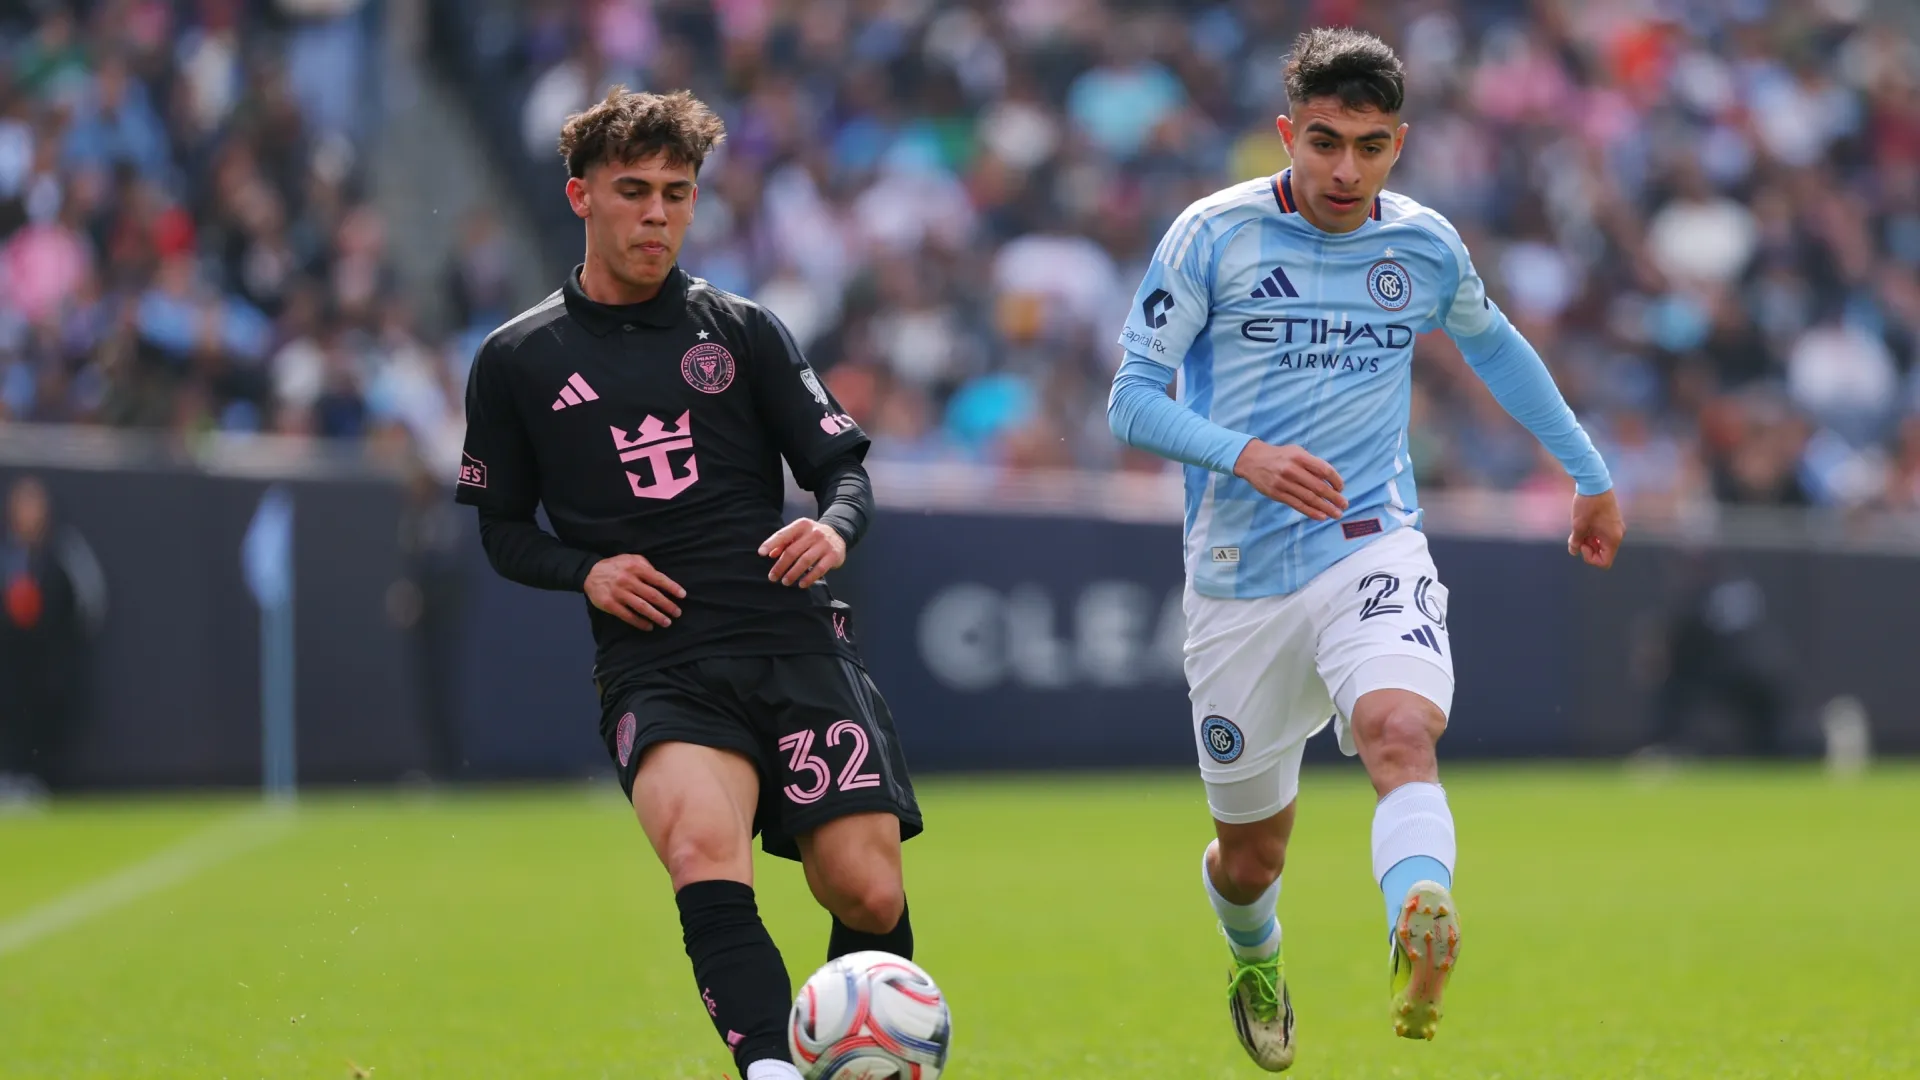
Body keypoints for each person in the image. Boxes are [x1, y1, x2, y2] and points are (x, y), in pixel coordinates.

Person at [1107, 29, 1625, 1068]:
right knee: (1253, 858)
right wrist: (1243, 455)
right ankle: (1256, 957)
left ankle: (1416, 911)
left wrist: (1590, 472)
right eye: (1328, 143)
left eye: (1373, 147)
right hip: (1237, 582)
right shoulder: (1211, 235)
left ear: (1402, 144)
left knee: (1399, 733)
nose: (1347, 171)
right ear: (1287, 133)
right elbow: (1129, 404)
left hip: (1369, 542)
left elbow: (1497, 349)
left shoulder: (1424, 246)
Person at [454, 88, 921, 1080]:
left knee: (869, 895)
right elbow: (499, 529)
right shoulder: (516, 360)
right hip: (660, 663)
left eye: (678, 192)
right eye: (634, 191)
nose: (657, 213)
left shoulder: (743, 329)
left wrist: (833, 530)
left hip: (790, 639)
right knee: (704, 850)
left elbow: (843, 470)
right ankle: (770, 1066)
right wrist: (586, 569)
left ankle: (860, 1044)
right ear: (581, 196)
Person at [0, 475, 107, 803]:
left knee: (45, 719)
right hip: (9, 664)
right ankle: (11, 777)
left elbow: (89, 604)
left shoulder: (62, 549)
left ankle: (39, 780)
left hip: (48, 664)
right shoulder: (6, 554)